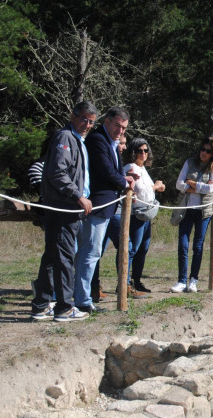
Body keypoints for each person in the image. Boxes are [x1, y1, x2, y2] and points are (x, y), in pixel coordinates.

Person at [30, 101, 97, 321]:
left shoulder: (78, 140)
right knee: (65, 257)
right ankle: (64, 307)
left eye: (91, 122)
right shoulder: (65, 138)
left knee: (52, 256)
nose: (87, 125)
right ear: (73, 116)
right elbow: (58, 173)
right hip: (63, 207)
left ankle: (41, 304)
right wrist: (78, 196)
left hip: (68, 207)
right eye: (84, 119)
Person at [74, 107, 136, 313]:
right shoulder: (98, 139)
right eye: (117, 125)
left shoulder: (112, 141)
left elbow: (116, 170)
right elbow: (106, 171)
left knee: (92, 252)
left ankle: (81, 297)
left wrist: (123, 180)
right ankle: (82, 299)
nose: (120, 131)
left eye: (124, 128)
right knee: (90, 253)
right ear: (107, 121)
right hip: (98, 204)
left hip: (109, 205)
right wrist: (124, 182)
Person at [170, 137, 213, 293]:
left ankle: (193, 280)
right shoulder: (189, 162)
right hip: (186, 210)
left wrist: (191, 184)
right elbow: (179, 183)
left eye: (207, 151)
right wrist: (198, 187)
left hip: (203, 211)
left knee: (198, 247)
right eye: (202, 149)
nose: (203, 153)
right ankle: (181, 281)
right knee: (183, 245)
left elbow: (210, 189)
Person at [122, 138, 165, 292]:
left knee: (143, 249)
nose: (143, 153)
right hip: (136, 215)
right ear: (133, 152)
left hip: (146, 215)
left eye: (145, 150)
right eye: (139, 150)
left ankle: (136, 281)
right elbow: (142, 192)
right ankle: (124, 283)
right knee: (132, 249)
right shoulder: (131, 167)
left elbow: (147, 192)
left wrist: (156, 187)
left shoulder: (142, 169)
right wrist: (155, 186)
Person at [91, 134, 127, 303]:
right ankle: (93, 289)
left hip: (113, 209)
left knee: (99, 249)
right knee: (94, 251)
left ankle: (120, 285)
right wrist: (125, 183)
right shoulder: (102, 146)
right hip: (104, 208)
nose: (123, 146)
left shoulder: (117, 156)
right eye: (122, 143)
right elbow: (108, 174)